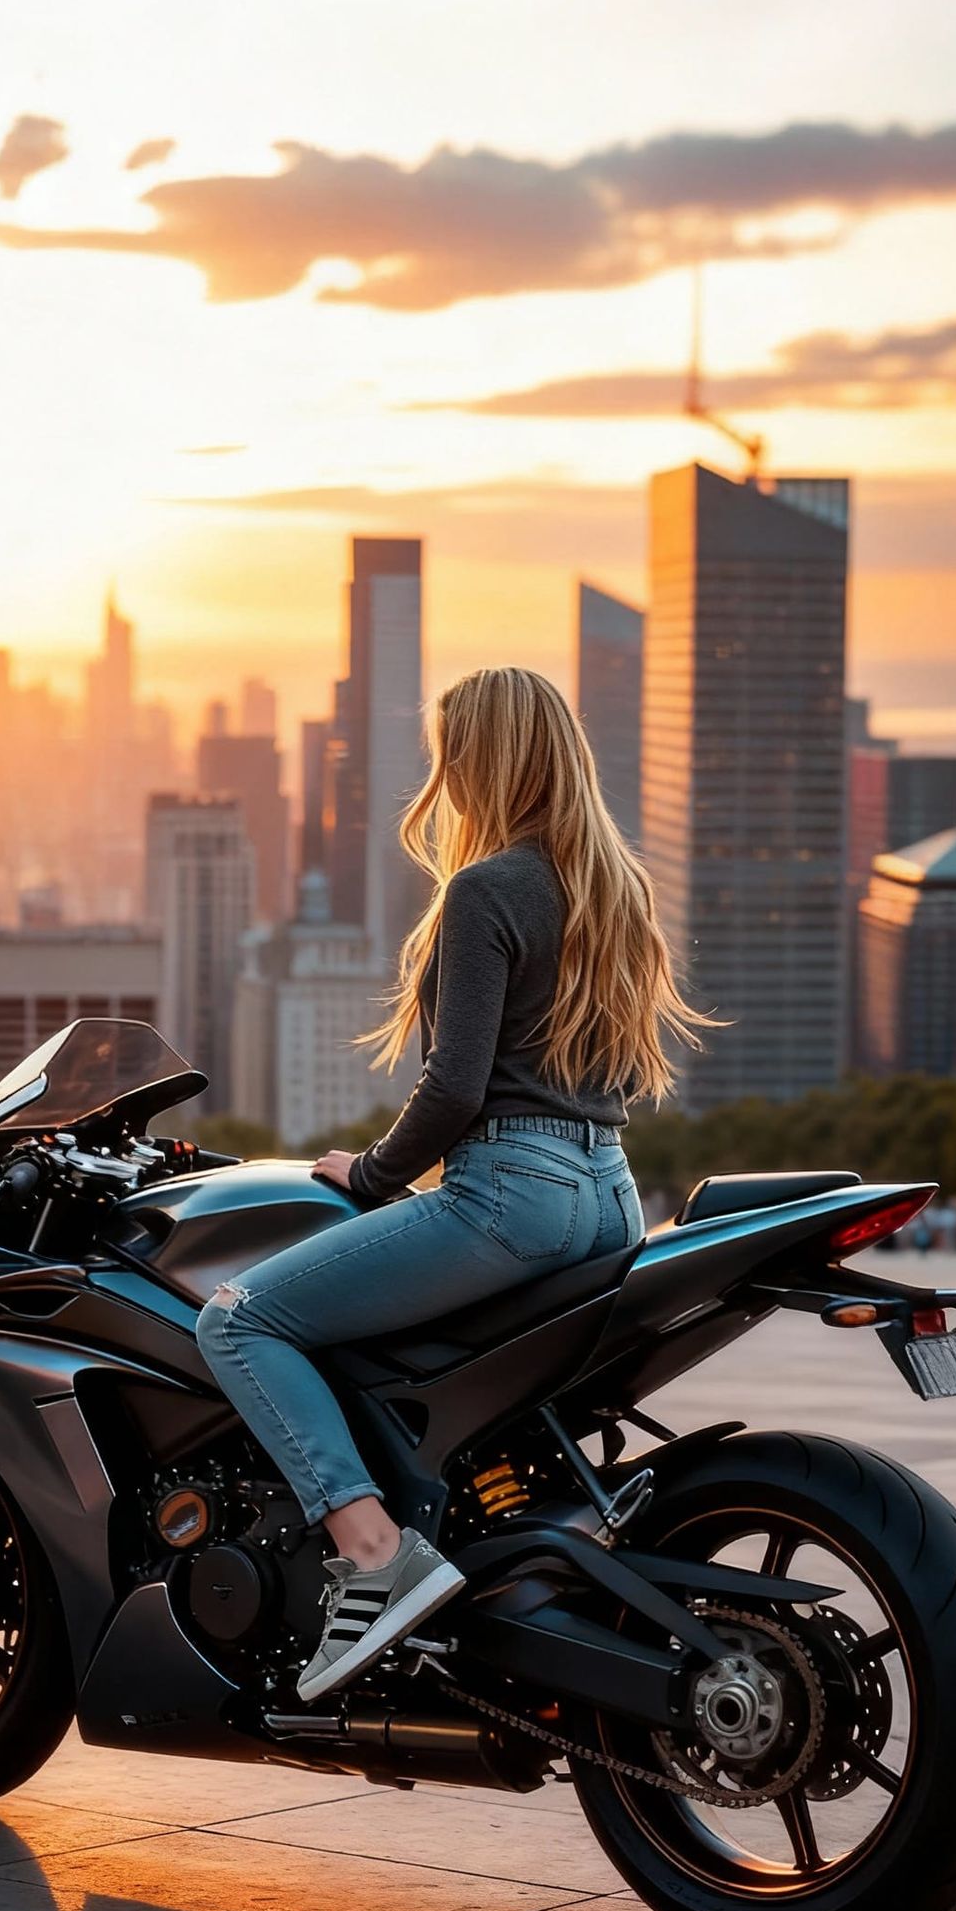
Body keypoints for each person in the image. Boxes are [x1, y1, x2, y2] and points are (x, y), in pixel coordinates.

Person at [196, 666, 711, 1703]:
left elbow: (454, 1088)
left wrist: (375, 1175)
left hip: (510, 1193)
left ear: (479, 762)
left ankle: (375, 1557)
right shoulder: (617, 888)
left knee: (242, 1322)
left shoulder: (486, 891)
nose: (444, 779)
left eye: (451, 757)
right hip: (609, 1190)